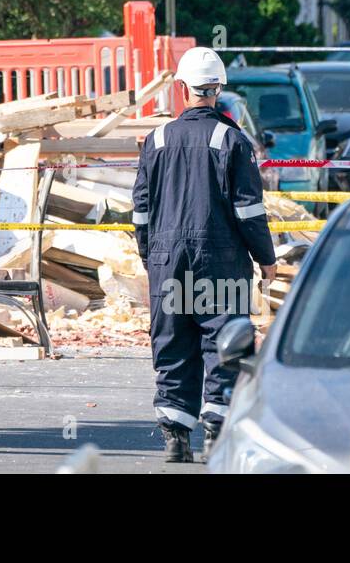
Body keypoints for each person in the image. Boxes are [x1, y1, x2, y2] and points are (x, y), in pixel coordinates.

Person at [132, 46, 276, 462]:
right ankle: (217, 431)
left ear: (182, 89)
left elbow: (140, 209)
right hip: (221, 261)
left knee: (173, 343)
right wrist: (265, 258)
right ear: (218, 91)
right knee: (224, 343)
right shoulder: (231, 139)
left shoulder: (155, 139)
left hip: (167, 260)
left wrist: (149, 256)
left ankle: (175, 438)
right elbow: (249, 211)